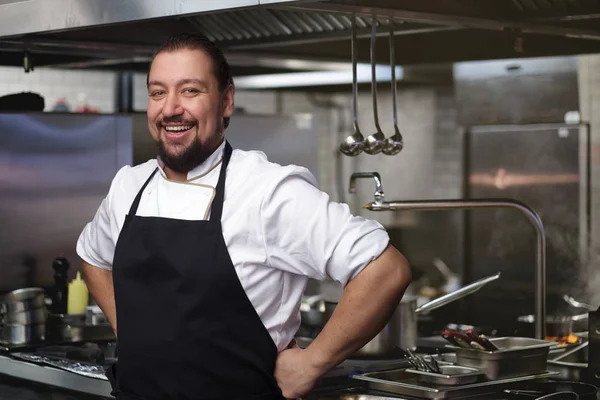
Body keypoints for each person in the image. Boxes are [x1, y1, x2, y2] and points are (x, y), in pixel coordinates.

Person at [77, 32, 411, 400]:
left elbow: (385, 270)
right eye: (158, 92)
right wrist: (129, 331)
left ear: (226, 101)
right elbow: (93, 258)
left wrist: (312, 363)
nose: (170, 108)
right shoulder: (129, 186)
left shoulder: (267, 191)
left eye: (190, 90)